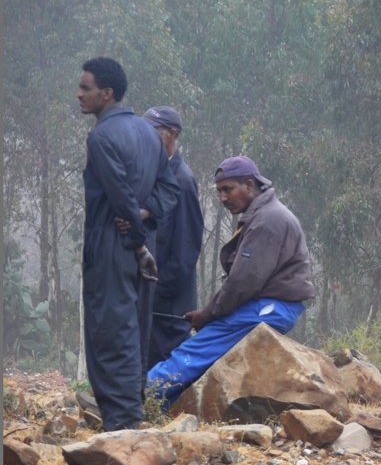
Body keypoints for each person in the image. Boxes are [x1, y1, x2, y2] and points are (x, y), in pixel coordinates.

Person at [146, 155, 315, 408]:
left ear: (249, 184)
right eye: (219, 192)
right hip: (272, 305)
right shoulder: (263, 214)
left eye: (228, 189)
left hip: (271, 306)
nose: (223, 198)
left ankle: (134, 398)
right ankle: (161, 407)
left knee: (196, 350)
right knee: (205, 354)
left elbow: (242, 282)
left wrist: (208, 314)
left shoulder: (267, 220)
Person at [78, 57, 180, 430]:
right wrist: (145, 215)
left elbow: (119, 195)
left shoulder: (101, 137)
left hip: (115, 244)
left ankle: (121, 423)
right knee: (135, 327)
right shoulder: (149, 134)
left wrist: (136, 239)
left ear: (106, 93)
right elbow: (169, 189)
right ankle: (131, 413)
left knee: (110, 330)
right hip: (141, 244)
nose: (79, 94)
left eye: (86, 88)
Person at [140, 106, 204, 369]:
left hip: (168, 307)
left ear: (172, 135)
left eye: (152, 132)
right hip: (147, 299)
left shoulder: (182, 182)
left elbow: (186, 251)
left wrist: (158, 292)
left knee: (165, 372)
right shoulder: (150, 177)